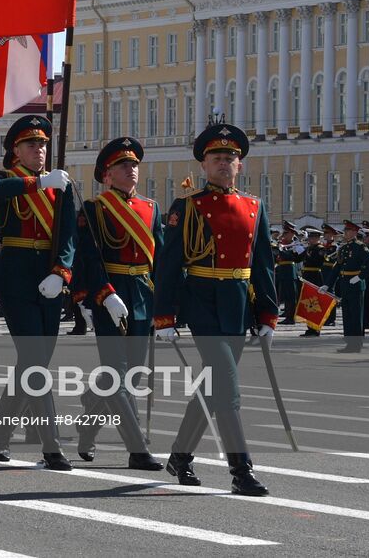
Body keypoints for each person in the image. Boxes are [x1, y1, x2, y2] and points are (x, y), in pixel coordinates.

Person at [153, 120, 276, 497]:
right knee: (226, 386)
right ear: (203, 165)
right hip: (203, 300)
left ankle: (180, 455)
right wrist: (164, 315)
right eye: (217, 158)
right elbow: (170, 264)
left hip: (238, 305)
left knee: (211, 385)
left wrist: (268, 313)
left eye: (231, 158)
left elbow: (263, 264)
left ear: (239, 165)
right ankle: (241, 470)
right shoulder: (188, 206)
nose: (225, 163)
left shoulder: (253, 206)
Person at [0, 115, 76, 470]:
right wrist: (38, 182)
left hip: (49, 281)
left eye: (42, 145)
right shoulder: (6, 179)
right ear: (16, 151)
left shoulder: (60, 186)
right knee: (35, 361)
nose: (39, 150)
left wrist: (61, 274)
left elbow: (68, 237)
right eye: (31, 145)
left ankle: (1, 427)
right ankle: (51, 445)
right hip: (17, 278)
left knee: (33, 362)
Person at [74, 137, 165, 470]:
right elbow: (89, 257)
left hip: (143, 293)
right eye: (123, 166)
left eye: (134, 165)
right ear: (107, 175)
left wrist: (166, 303)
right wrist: (104, 293)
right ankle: (137, 448)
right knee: (118, 373)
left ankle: (88, 425)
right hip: (110, 294)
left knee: (132, 377)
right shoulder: (93, 209)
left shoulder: (151, 208)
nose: (131, 170)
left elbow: (161, 258)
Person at [332, 222, 369, 353]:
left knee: (356, 314)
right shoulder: (344, 248)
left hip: (355, 283)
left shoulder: (360, 247)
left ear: (355, 232)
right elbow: (337, 267)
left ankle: (356, 344)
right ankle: (349, 342)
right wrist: (327, 284)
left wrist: (360, 277)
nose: (345, 232)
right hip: (345, 283)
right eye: (345, 230)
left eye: (348, 230)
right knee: (347, 314)